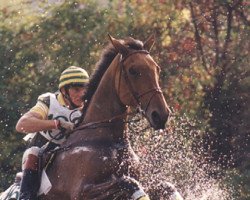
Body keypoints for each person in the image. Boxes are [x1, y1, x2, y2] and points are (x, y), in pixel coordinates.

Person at [15, 66, 89, 200]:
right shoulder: (49, 101)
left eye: (85, 89)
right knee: (34, 153)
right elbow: (21, 125)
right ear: (64, 90)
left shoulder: (88, 107)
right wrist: (56, 123)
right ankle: (26, 197)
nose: (82, 94)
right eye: (77, 89)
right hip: (43, 153)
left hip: (73, 152)